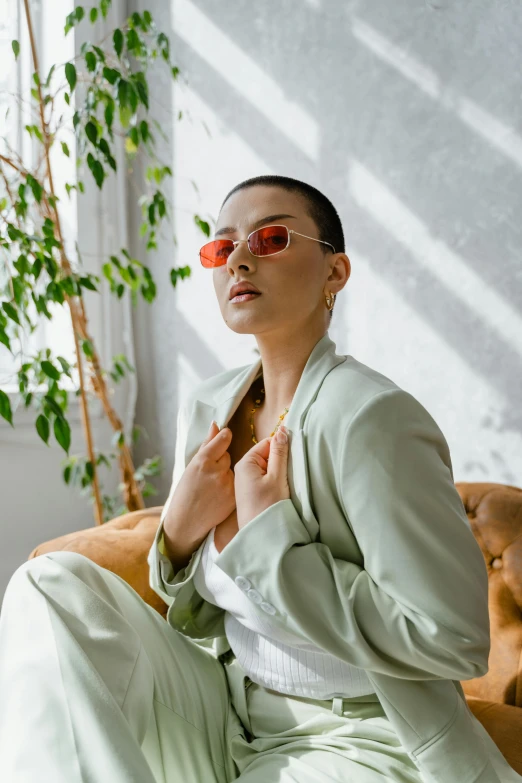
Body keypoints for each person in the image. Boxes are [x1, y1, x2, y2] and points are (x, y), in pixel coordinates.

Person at [0, 175, 518, 782]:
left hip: (357, 735)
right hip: (223, 706)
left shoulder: (373, 418)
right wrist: (178, 535)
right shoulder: (210, 405)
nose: (239, 259)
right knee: (49, 584)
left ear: (335, 272)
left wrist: (272, 542)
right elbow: (194, 606)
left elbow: (449, 637)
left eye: (270, 238)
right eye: (223, 248)